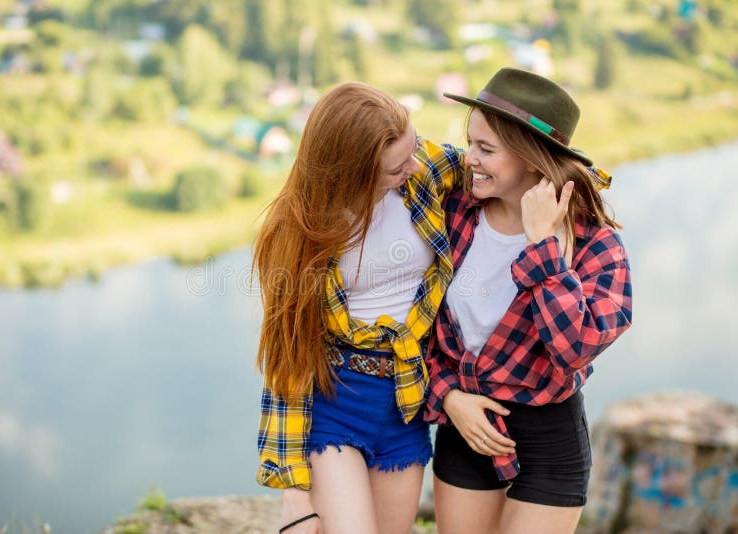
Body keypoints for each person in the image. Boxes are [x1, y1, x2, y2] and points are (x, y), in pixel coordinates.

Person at [424, 67, 633, 534]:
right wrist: (448, 396)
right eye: (470, 142)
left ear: (532, 159)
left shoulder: (595, 245)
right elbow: (414, 324)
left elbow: (573, 349)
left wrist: (542, 248)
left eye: (485, 149)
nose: (468, 158)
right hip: (465, 429)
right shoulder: (454, 211)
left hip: (548, 444)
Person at [253, 82, 465, 533]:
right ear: (350, 172)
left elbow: (496, 164)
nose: (412, 166)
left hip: (406, 404)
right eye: (394, 168)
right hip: (337, 404)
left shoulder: (421, 170)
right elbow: (288, 360)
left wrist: (571, 181)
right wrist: (294, 493)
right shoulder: (296, 232)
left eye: (412, 149)